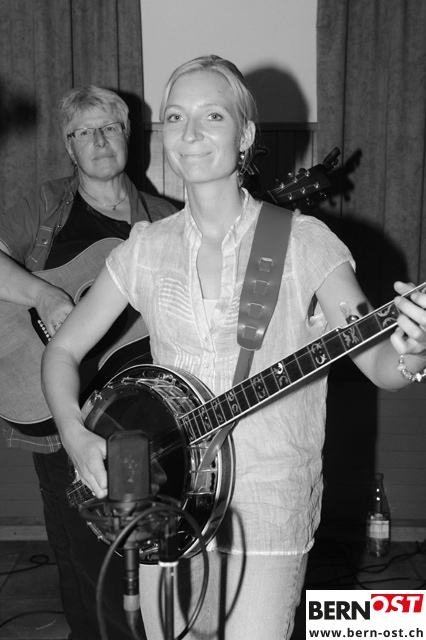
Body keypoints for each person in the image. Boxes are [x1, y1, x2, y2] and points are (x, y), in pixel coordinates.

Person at [41, 56, 426, 640]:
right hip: (166, 500)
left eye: (212, 116)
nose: (191, 132)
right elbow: (62, 352)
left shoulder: (303, 243)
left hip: (267, 506)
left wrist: (415, 350)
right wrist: (74, 433)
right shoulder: (145, 248)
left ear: (245, 135)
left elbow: (380, 365)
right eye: (176, 116)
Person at [0, 85, 176, 640]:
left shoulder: (166, 220)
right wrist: (45, 296)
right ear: (69, 147)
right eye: (84, 132)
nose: (98, 140)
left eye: (109, 127)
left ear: (128, 137)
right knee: (69, 544)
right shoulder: (44, 204)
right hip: (47, 392)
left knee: (113, 552)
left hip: (130, 411)